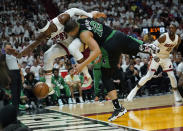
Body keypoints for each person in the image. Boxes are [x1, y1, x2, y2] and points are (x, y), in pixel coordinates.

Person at [63, 17, 160, 121]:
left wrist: (82, 65)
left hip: (109, 46)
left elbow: (96, 51)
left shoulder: (83, 34)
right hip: (117, 34)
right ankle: (148, 48)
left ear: (73, 31)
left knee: (106, 77)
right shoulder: (82, 19)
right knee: (132, 46)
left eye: (70, 34)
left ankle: (118, 108)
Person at [9, 8, 106, 95]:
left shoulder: (60, 19)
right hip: (65, 44)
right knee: (47, 55)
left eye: (45, 32)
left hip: (79, 40)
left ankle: (87, 76)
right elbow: (32, 46)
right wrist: (20, 54)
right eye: (43, 33)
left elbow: (74, 9)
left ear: (49, 25)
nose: (45, 35)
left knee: (72, 48)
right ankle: (49, 85)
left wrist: (88, 14)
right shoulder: (44, 34)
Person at [127, 24, 182, 102]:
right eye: (169, 28)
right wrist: (154, 55)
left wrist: (174, 56)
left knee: (172, 76)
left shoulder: (178, 39)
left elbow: (175, 49)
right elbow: (152, 46)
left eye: (172, 28)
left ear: (176, 29)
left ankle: (176, 93)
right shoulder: (164, 37)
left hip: (166, 58)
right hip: (157, 56)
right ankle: (134, 91)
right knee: (148, 76)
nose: (170, 29)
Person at [4, 43, 22, 113]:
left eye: (10, 48)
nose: (9, 50)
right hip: (11, 73)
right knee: (14, 92)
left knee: (18, 91)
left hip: (17, 72)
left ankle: (17, 108)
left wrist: (14, 51)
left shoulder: (14, 55)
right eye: (7, 48)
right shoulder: (4, 56)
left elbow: (20, 56)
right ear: (5, 49)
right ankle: (14, 109)